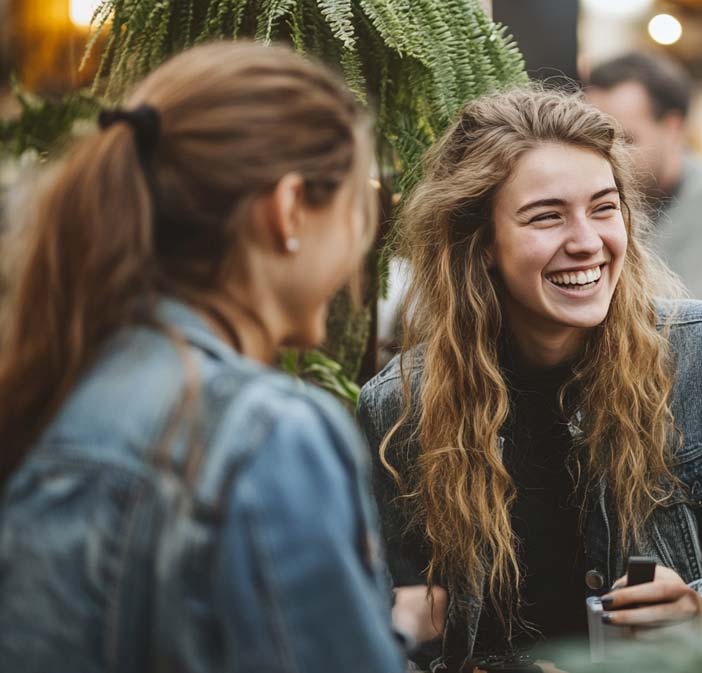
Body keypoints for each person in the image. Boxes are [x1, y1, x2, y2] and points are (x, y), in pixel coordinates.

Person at [356, 88, 702, 672]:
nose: (587, 241)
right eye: (546, 216)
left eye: (604, 207)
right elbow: (383, 637)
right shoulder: (400, 409)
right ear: (481, 242)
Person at [0, 43, 438, 672]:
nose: (357, 257)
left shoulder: (52, 379)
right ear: (289, 210)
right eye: (362, 206)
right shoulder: (265, 432)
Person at [585, 53, 702, 318]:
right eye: (597, 140)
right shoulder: (612, 202)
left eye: (626, 139)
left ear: (673, 128)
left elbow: (696, 336)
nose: (609, 155)